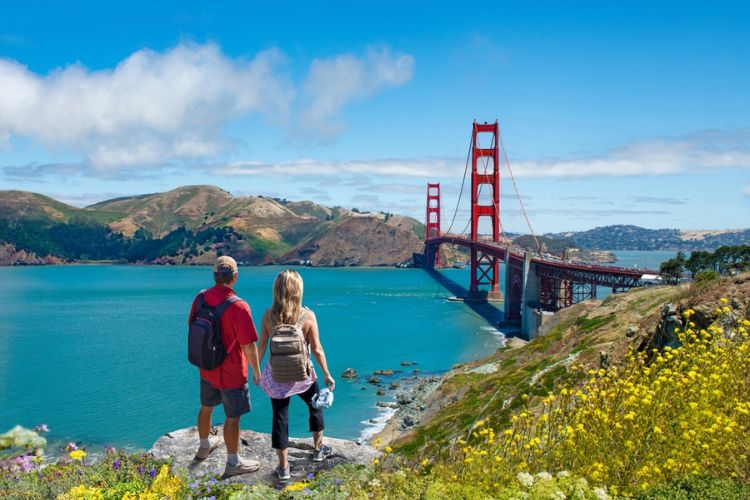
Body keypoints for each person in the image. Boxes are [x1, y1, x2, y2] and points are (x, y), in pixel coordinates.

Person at [258, 269, 336, 480]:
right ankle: (319, 450)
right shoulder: (307, 315)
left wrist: (256, 370)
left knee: (280, 419)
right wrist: (327, 374)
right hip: (303, 376)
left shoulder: (268, 315)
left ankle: (283, 469)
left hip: (277, 378)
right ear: (298, 291)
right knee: (315, 407)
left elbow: (262, 345)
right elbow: (317, 349)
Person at [188, 256, 262, 477]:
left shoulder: (200, 298)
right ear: (235, 277)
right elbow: (248, 345)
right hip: (231, 373)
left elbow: (192, 327)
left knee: (206, 406)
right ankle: (233, 463)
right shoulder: (239, 306)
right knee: (232, 418)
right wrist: (257, 371)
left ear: (214, 276)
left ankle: (203, 447)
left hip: (207, 368)